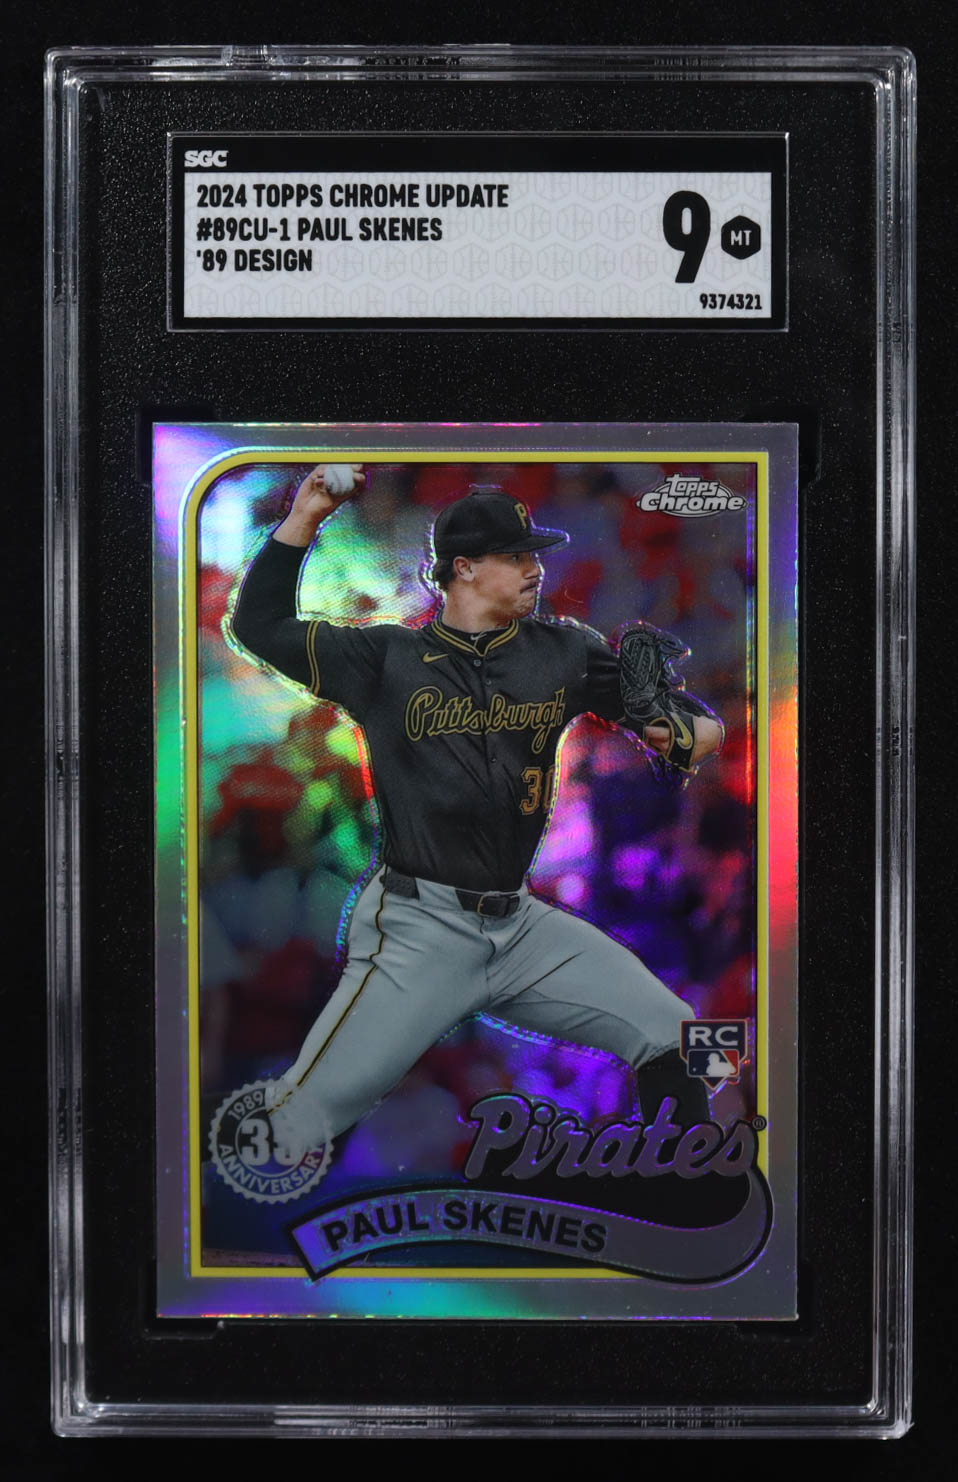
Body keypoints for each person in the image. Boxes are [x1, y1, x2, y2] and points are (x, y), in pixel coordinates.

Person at [229, 465, 724, 1159]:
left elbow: (700, 735)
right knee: (304, 1120)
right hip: (419, 926)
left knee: (683, 1034)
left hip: (518, 924)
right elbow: (258, 625)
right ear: (463, 568)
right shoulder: (387, 657)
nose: (535, 569)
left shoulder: (564, 650)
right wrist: (306, 516)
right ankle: (250, 1218)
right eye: (516, 557)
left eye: (534, 556)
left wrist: (669, 719)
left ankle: (701, 1180)